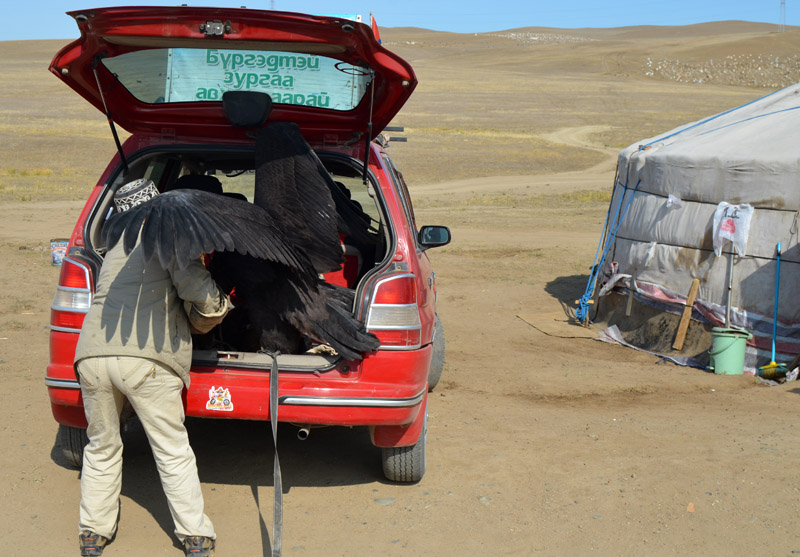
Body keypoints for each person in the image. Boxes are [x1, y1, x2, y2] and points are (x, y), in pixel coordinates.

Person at [74, 178, 229, 557]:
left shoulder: (114, 245)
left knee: (101, 446)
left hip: (91, 356)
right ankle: (195, 536)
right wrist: (215, 313)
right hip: (146, 359)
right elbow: (202, 297)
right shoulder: (170, 238)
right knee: (172, 449)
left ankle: (92, 533)